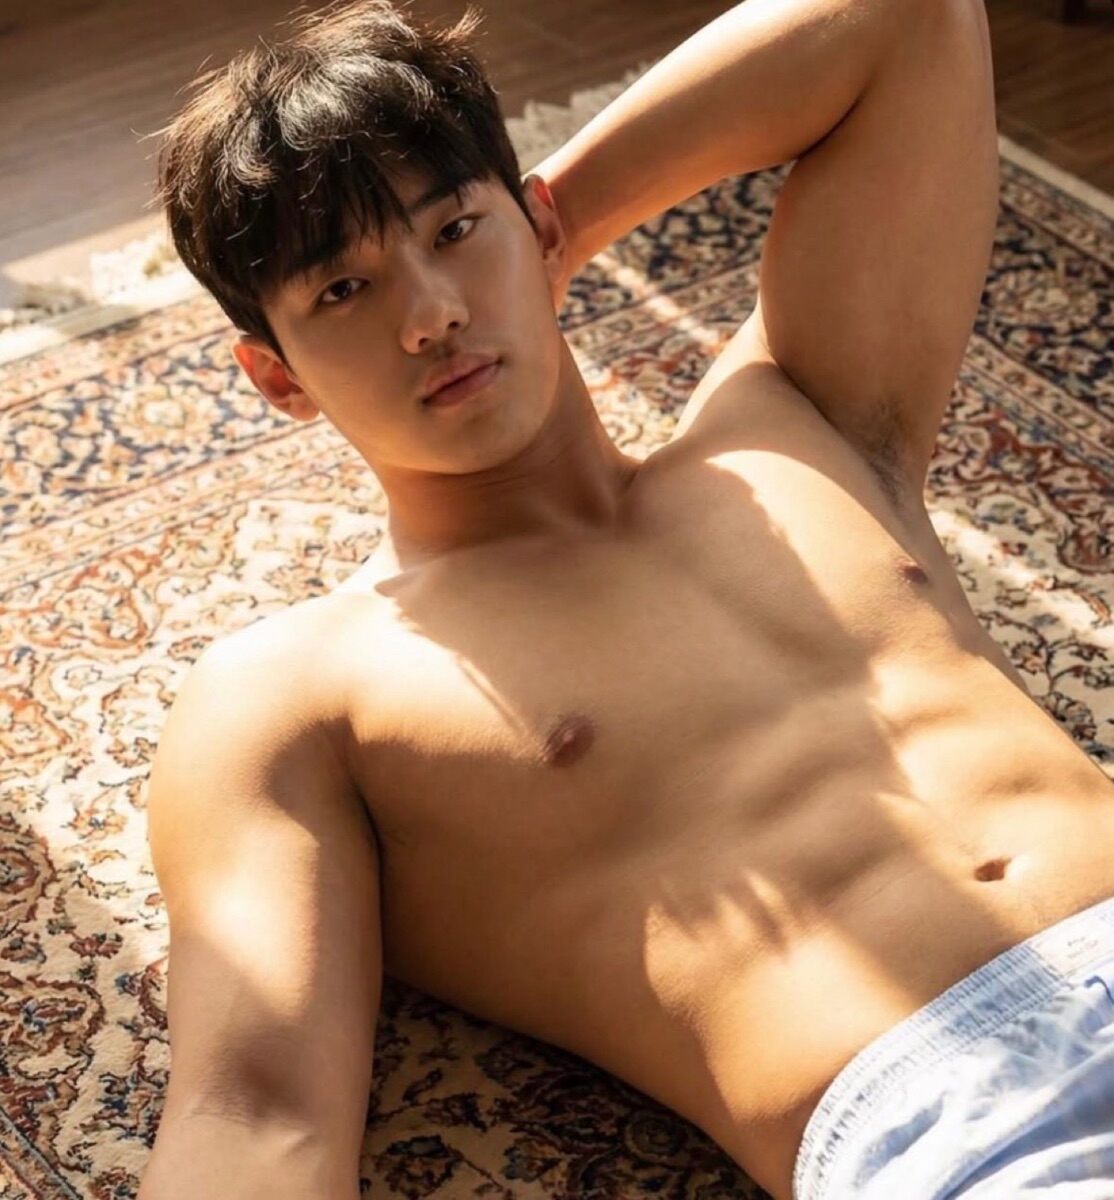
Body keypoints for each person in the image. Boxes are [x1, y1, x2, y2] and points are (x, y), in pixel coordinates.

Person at [139, 0, 1114, 1197]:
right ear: (276, 376)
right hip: (975, 1129)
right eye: (343, 290)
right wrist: (498, 243)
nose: (432, 314)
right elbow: (254, 1114)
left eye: (455, 230)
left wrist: (551, 231)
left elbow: (903, 22)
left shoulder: (792, 419)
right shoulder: (292, 696)